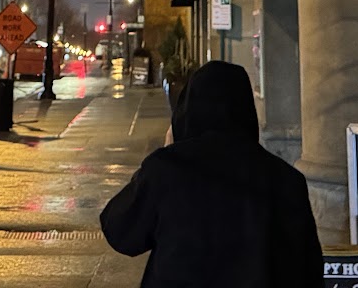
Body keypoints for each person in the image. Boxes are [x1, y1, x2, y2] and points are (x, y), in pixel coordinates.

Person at [101, 60, 320, 287]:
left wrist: (165, 154)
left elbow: (120, 231)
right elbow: (307, 270)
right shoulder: (286, 179)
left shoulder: (167, 169)